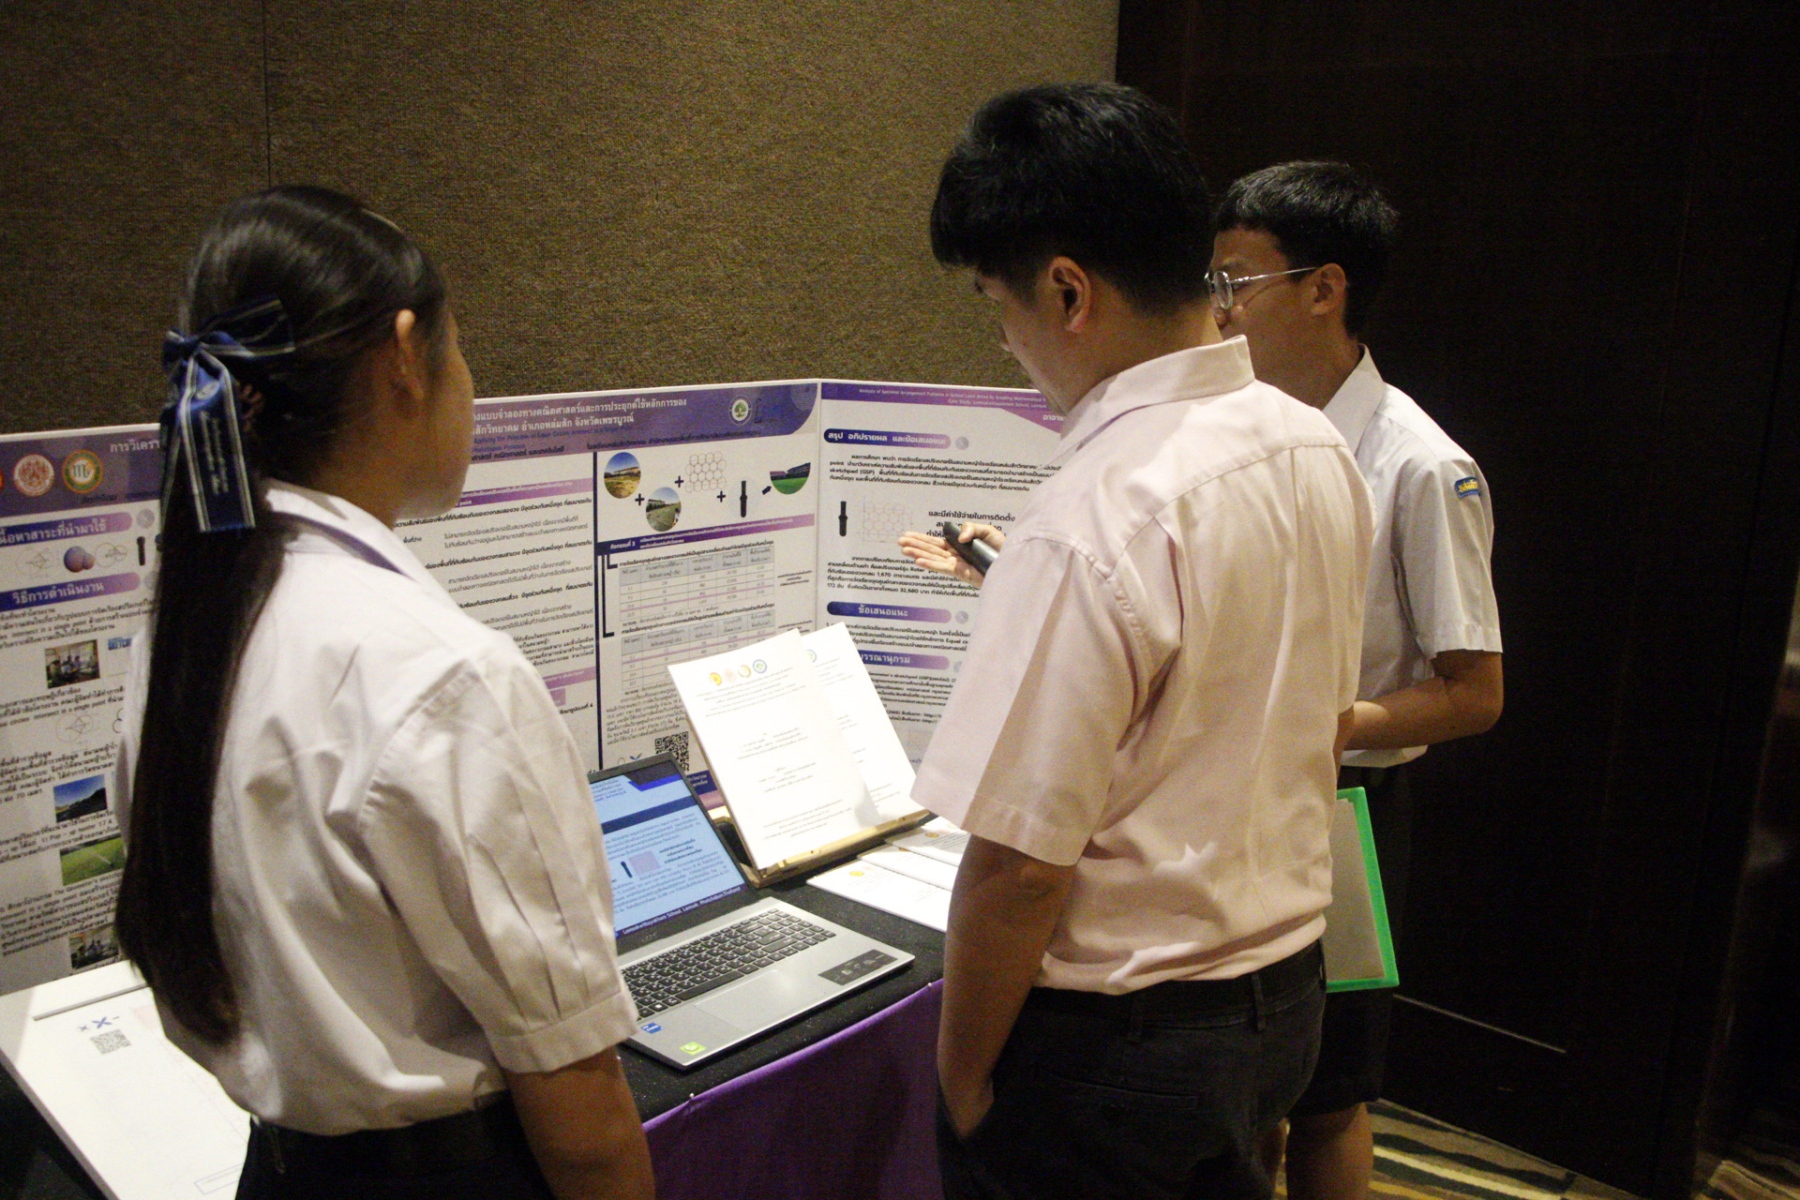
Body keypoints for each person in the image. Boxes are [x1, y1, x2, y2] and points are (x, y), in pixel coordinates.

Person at [112, 186, 656, 1200]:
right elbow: (579, 1111)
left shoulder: (182, 625)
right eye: (463, 348)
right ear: (406, 355)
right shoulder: (443, 673)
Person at [911, 84, 1374, 1200]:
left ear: (1068, 291)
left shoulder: (1090, 516)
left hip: (1119, 1047)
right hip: (1283, 994)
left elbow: (1020, 867)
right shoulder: (1312, 444)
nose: (1005, 341)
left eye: (998, 303)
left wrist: (963, 1078)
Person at [1211, 161, 1504, 1200]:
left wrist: (1327, 725)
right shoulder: (1234, 430)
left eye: (1237, 283)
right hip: (1231, 793)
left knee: (1328, 1093)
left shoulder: (1419, 462)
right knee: (1245, 1085)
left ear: (1323, 289)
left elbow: (1474, 691)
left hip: (1348, 806)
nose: (1218, 308)